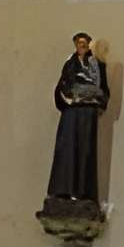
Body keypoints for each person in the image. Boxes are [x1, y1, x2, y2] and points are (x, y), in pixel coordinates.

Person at [46, 32, 108, 209]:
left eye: (84, 43)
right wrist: (72, 94)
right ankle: (62, 189)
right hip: (71, 112)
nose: (81, 46)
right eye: (79, 43)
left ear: (88, 45)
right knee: (66, 149)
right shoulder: (70, 64)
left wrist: (92, 95)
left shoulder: (97, 65)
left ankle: (83, 192)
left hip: (87, 114)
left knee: (85, 150)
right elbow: (63, 86)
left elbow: (102, 90)